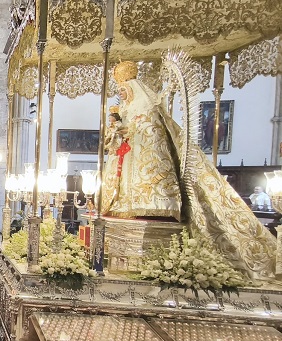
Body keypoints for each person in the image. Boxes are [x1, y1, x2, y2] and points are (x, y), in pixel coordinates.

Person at [100, 60, 275, 279]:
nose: (121, 95)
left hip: (149, 170)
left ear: (133, 89)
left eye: (123, 90)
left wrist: (131, 131)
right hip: (126, 167)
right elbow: (113, 142)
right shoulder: (124, 112)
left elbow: (152, 138)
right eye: (120, 91)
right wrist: (116, 132)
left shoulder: (149, 111)